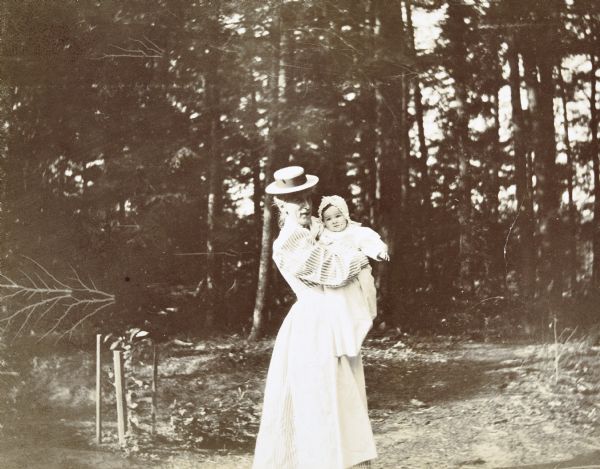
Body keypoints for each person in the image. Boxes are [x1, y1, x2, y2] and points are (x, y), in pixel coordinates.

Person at [252, 166, 377, 469]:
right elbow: (333, 270)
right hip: (313, 327)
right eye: (296, 201)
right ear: (281, 206)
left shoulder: (313, 231)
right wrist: (360, 254)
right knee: (320, 401)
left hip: (333, 321)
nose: (305, 206)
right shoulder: (289, 242)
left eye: (306, 198)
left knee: (343, 400)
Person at [317, 195, 389, 357]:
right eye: (328, 219)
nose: (334, 221)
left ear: (346, 214)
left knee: (364, 303)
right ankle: (342, 343)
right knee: (340, 308)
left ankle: (358, 334)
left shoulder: (355, 232)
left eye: (338, 216)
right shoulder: (324, 235)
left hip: (358, 274)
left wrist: (378, 251)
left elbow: (368, 243)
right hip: (337, 278)